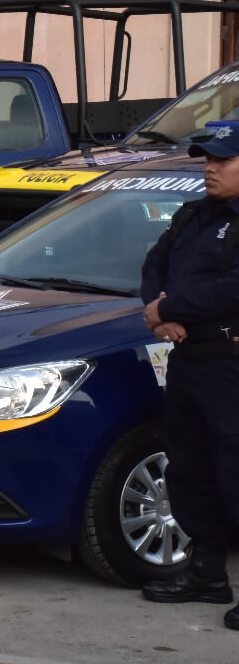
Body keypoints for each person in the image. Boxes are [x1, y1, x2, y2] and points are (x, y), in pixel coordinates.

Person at [140, 120, 239, 628]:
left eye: (223, 160)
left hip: (231, 364)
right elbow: (154, 263)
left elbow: (231, 290)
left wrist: (171, 306)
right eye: (207, 160)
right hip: (190, 361)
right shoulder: (193, 215)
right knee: (190, 470)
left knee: (233, 473)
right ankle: (206, 574)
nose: (211, 168)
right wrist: (159, 309)